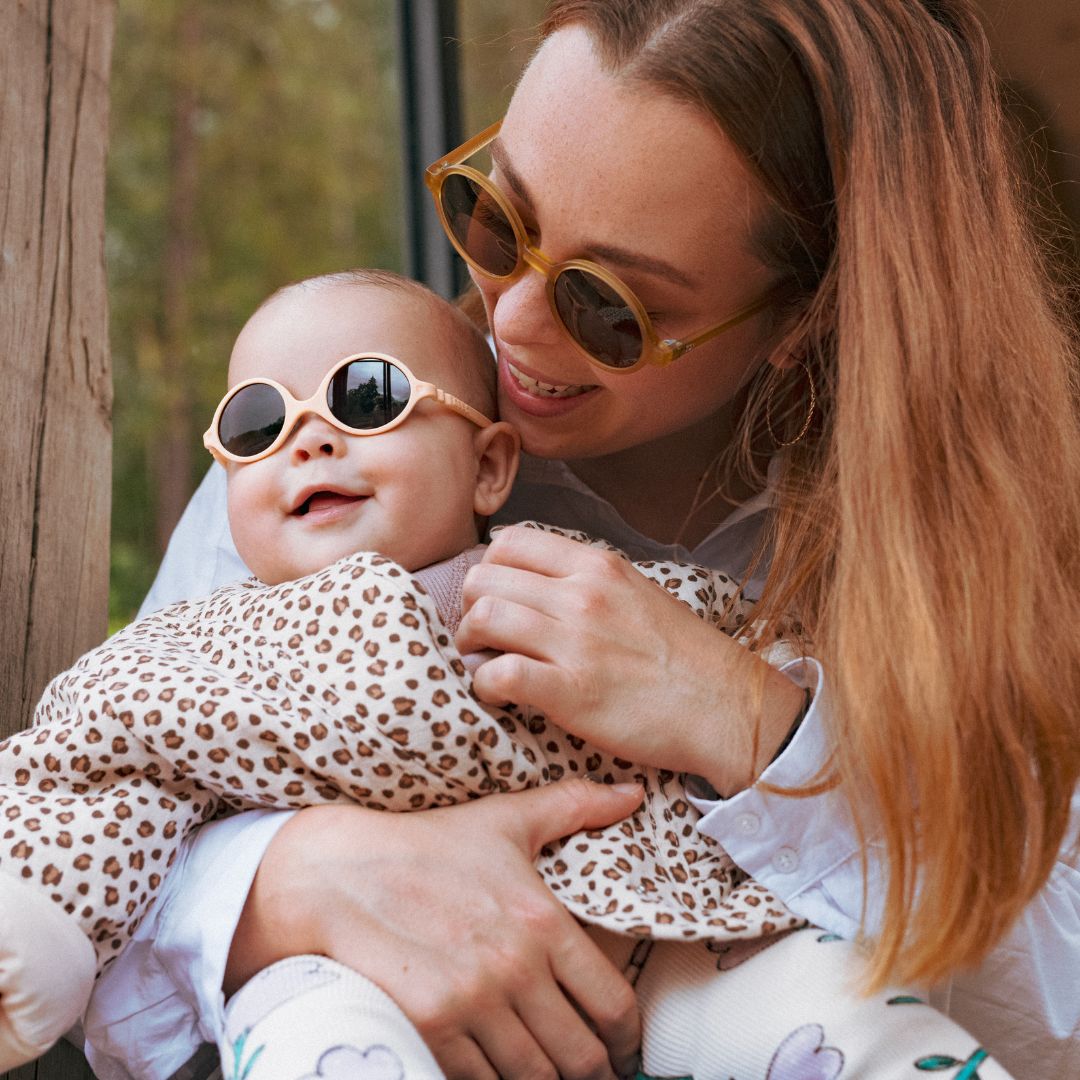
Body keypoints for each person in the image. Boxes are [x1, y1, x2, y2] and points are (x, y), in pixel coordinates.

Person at [86, 1, 1080, 1077]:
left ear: (805, 318)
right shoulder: (337, 446)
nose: (508, 322)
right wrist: (280, 884)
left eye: (609, 308)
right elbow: (91, 816)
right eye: (494, 219)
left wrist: (748, 721)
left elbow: (1053, 997)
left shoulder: (983, 539)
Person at [2, 269, 1009, 1080]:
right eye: (258, 425)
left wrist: (768, 691)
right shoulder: (194, 655)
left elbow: (731, 641)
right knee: (319, 1043)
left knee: (828, 1003)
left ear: (489, 467)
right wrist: (35, 933)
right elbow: (95, 787)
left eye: (366, 396)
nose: (308, 438)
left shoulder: (559, 582)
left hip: (650, 923)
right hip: (340, 970)